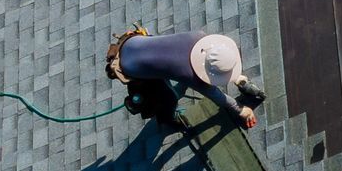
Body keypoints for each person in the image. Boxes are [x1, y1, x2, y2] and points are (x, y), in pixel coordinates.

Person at [106, 27, 266, 129]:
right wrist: (241, 110)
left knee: (167, 66)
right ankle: (168, 119)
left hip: (133, 42)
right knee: (169, 97)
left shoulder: (199, 36)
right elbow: (218, 97)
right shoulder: (191, 75)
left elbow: (207, 59)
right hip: (130, 68)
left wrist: (236, 78)